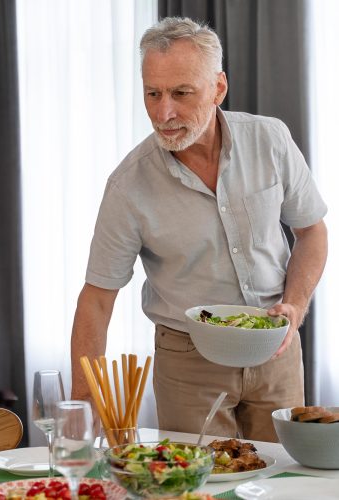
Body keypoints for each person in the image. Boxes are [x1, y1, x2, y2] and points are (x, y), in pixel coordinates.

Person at [70, 16, 328, 442]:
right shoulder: (128, 185)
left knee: (285, 482)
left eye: (181, 93)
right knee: (196, 485)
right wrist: (85, 398)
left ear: (218, 89)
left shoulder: (271, 140)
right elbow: (97, 298)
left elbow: (312, 233)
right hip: (188, 360)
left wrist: (295, 306)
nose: (163, 112)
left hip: (276, 349)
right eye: (152, 94)